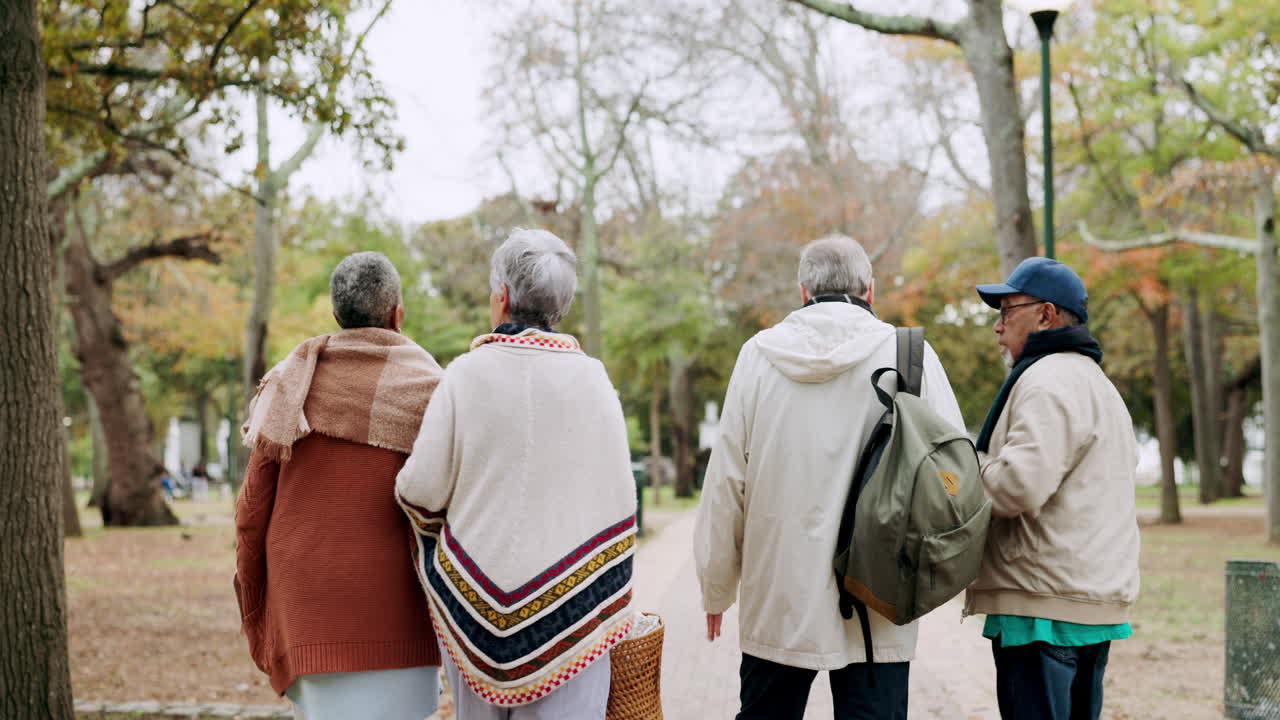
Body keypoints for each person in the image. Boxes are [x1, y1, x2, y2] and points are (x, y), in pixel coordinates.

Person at [694, 235, 964, 720]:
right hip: (879, 593)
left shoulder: (758, 356)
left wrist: (716, 586)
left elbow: (726, 483)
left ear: (804, 291)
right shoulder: (910, 355)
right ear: (870, 289)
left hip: (778, 591)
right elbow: (955, 477)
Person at [396, 228, 637, 718]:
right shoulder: (593, 380)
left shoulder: (464, 374)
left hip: (473, 613)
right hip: (575, 616)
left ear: (501, 297)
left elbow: (419, 488)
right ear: (561, 304)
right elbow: (619, 498)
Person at [234, 251, 445, 720]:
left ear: (335, 315)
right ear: (397, 314)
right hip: (400, 610)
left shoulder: (289, 385)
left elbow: (251, 512)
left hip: (306, 609)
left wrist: (256, 598)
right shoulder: (434, 390)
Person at [965, 257, 1140, 720]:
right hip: (1088, 602)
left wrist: (966, 464)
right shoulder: (1099, 385)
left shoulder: (1046, 380)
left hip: (1041, 607)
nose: (998, 326)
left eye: (1007, 311)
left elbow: (1016, 487)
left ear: (1046, 315)